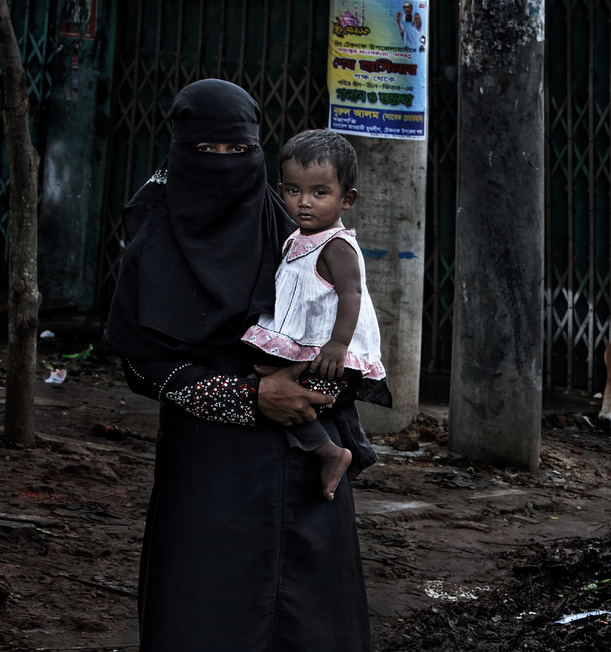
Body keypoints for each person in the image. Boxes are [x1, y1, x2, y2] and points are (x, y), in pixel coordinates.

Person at [104, 79, 371, 651]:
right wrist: (246, 396)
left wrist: (319, 392)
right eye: (206, 152)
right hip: (208, 471)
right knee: (206, 614)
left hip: (303, 467)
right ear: (178, 152)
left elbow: (345, 325)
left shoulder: (291, 231)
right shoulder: (153, 238)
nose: (224, 166)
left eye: (239, 151)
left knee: (310, 623)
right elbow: (141, 364)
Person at [243, 128, 392, 502]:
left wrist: (338, 344)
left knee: (299, 399)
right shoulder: (297, 237)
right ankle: (360, 453)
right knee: (308, 394)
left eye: (319, 193)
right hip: (307, 346)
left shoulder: (336, 245)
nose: (304, 202)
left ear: (347, 199)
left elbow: (351, 293)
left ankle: (331, 453)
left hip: (328, 350)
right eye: (293, 191)